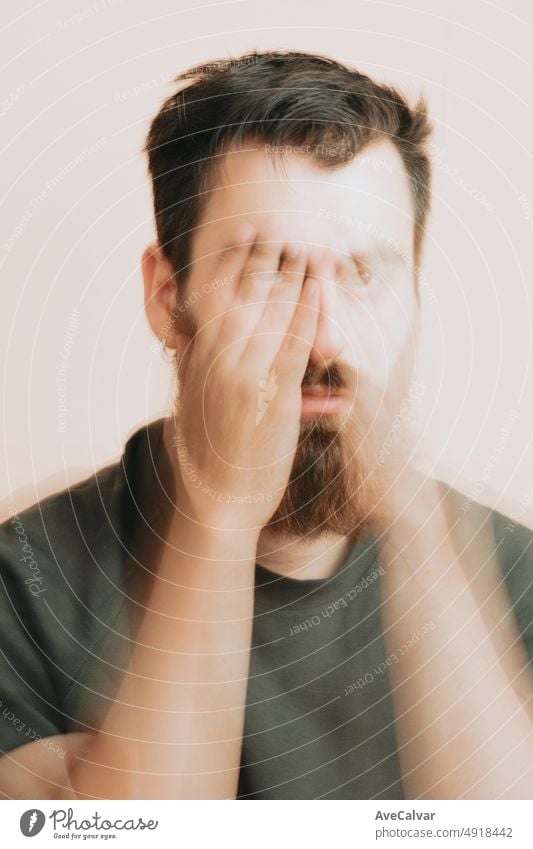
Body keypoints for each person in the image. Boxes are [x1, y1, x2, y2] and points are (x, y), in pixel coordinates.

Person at [1, 50, 532, 801]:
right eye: (269, 269)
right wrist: (218, 517)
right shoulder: (27, 587)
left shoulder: (517, 579)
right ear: (167, 297)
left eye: (364, 273)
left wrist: (417, 530)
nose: (323, 340)